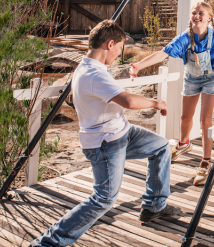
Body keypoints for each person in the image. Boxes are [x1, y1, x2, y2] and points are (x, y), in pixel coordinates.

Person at [32, 20, 182, 247]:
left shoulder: (88, 67)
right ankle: (48, 243)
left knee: (161, 147)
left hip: (121, 132)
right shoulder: (93, 74)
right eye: (120, 47)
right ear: (110, 44)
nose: (120, 52)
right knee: (104, 198)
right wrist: (156, 102)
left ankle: (154, 206)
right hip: (105, 143)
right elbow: (129, 101)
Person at [130, 2, 214, 185]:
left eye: (201, 13)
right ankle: (184, 143)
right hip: (191, 78)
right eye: (194, 13)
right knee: (185, 117)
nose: (196, 16)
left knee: (204, 120)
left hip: (211, 79)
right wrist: (138, 65)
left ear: (209, 18)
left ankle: (206, 161)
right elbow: (163, 54)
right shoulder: (185, 37)